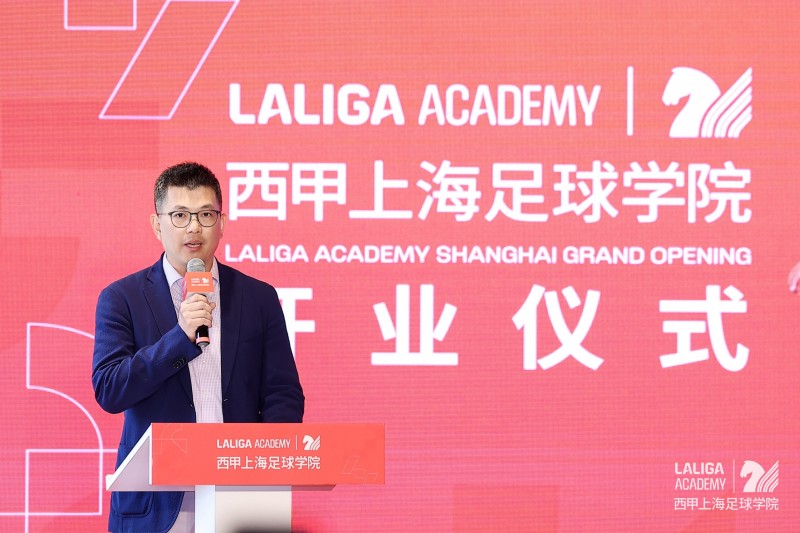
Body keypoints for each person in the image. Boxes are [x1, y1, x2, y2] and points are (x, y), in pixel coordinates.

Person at [92, 162, 304, 533]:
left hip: (242, 494)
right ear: (157, 225)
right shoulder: (122, 298)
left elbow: (282, 393)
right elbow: (110, 389)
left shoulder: (258, 297)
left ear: (222, 223)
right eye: (179, 215)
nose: (194, 227)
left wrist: (268, 469)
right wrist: (180, 337)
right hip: (158, 499)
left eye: (206, 214)